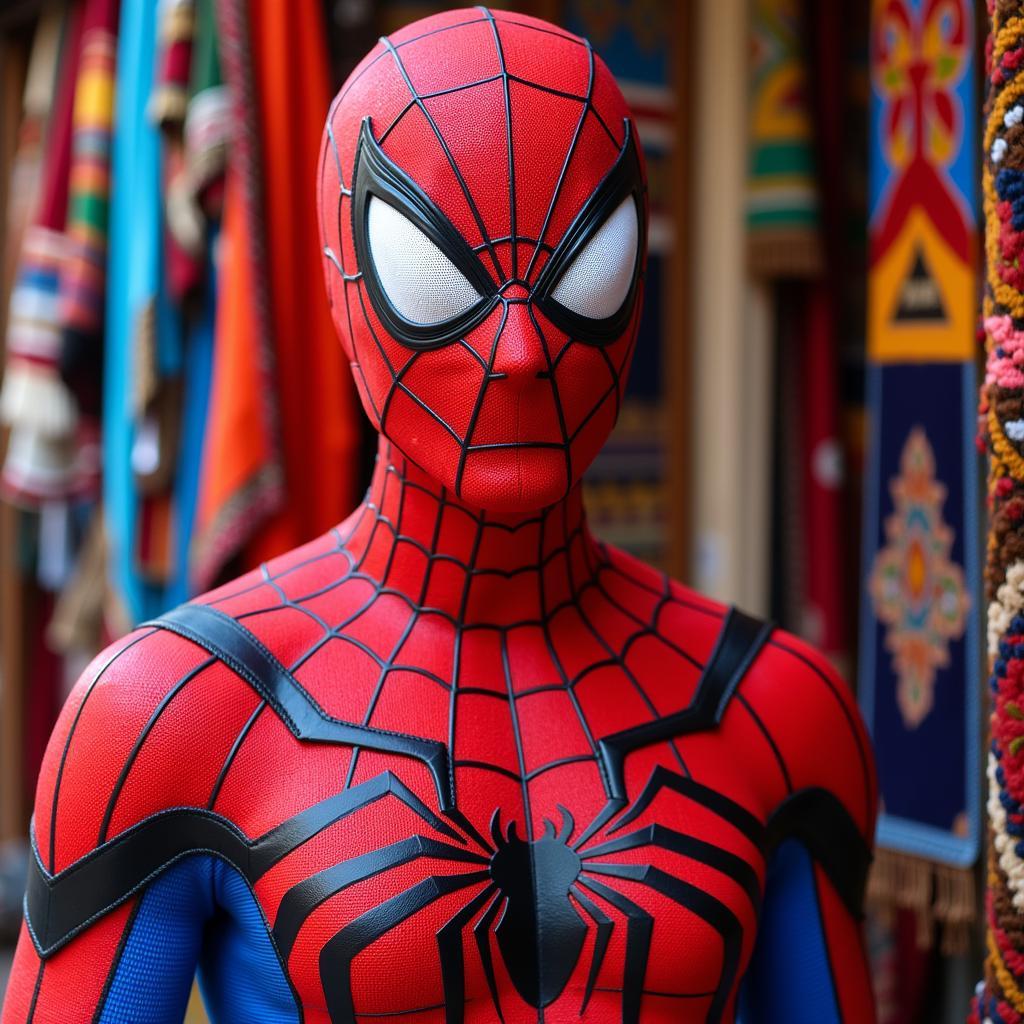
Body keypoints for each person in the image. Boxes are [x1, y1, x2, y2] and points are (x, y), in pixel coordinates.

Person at [1, 9, 877, 1022]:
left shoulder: (775, 710)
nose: (518, 351)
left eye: (581, 273)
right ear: (341, 283)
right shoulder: (173, 706)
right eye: (433, 276)